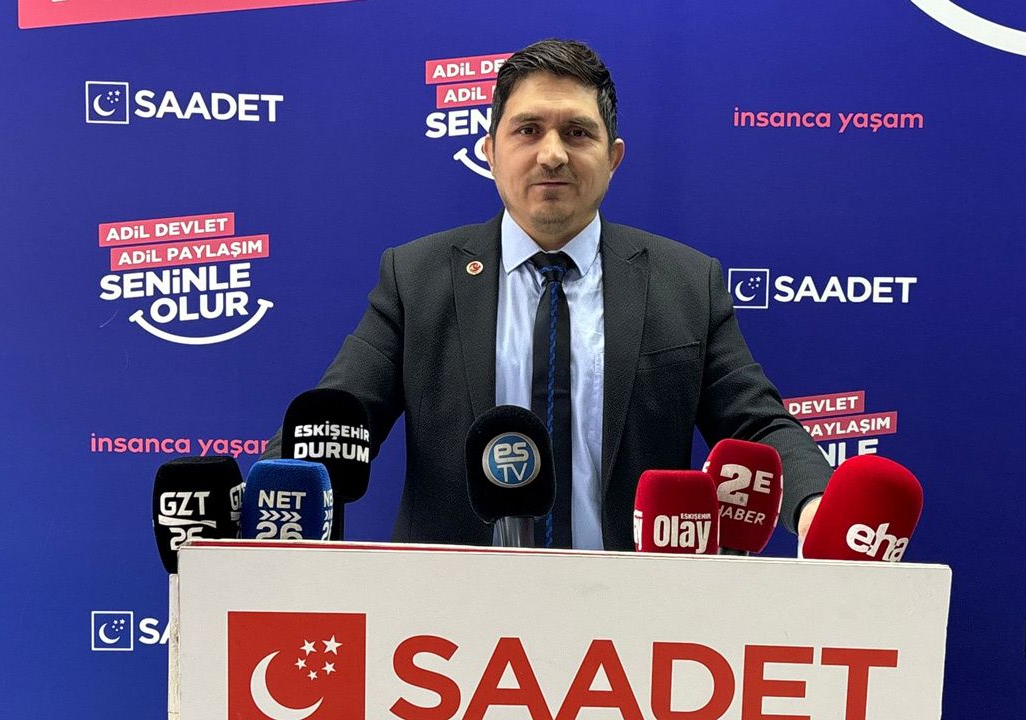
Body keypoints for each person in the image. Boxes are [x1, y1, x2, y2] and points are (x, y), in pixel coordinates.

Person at [264, 38, 830, 551]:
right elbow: (331, 427)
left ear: (613, 158)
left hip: (633, 609)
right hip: (450, 611)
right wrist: (259, 502)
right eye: (528, 130)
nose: (552, 154)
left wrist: (818, 507)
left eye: (577, 133)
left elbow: (757, 428)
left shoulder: (686, 284)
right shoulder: (416, 279)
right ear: (491, 151)